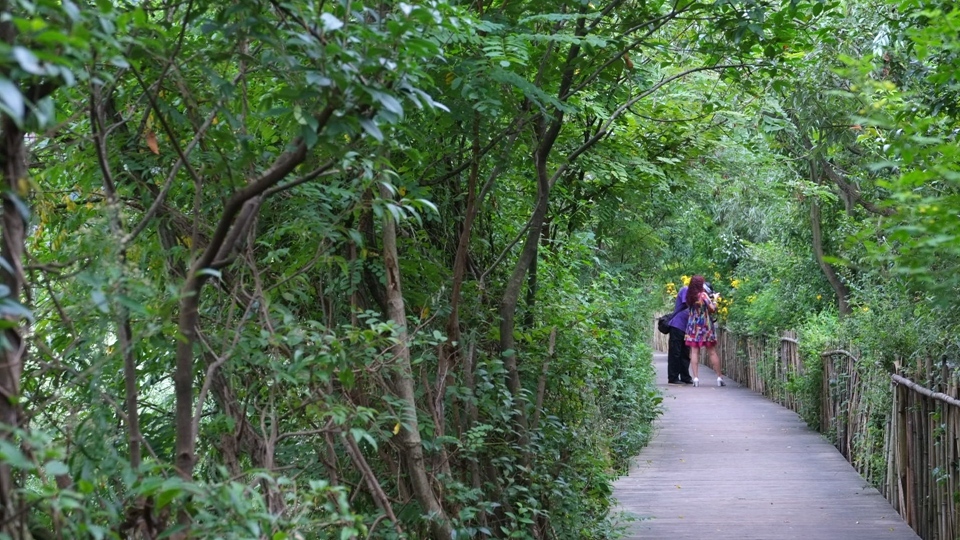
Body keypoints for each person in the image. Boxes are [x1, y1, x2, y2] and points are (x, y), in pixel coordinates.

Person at [684, 275, 726, 387]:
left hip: (692, 326)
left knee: (694, 352)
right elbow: (712, 309)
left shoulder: (689, 295)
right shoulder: (703, 295)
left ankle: (696, 378)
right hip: (704, 327)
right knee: (712, 351)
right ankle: (719, 377)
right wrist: (715, 299)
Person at [666, 283, 693, 385]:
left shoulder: (695, 294)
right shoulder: (686, 290)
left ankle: (685, 376)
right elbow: (688, 303)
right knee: (675, 353)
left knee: (685, 353)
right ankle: (673, 377)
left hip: (686, 328)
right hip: (677, 325)